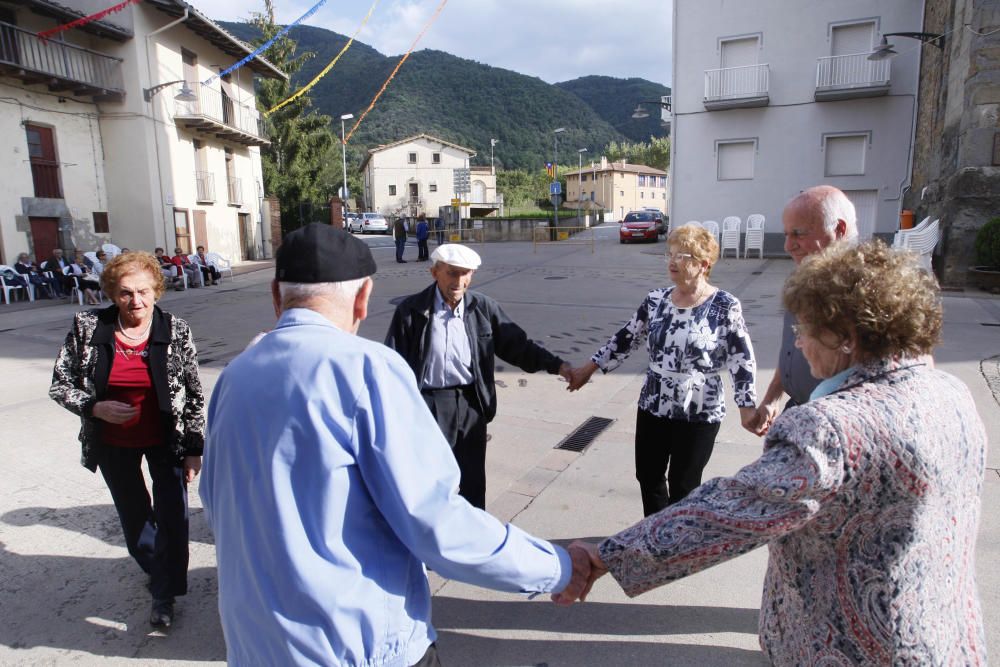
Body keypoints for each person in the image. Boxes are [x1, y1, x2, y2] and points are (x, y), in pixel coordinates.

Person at [559, 240, 987, 664]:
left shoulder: (830, 427)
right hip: (947, 642)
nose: (798, 345)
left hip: (859, 652)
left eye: (806, 329)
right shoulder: (951, 393)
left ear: (847, 338)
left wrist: (605, 555)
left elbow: (729, 512)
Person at [201, 224, 590, 666]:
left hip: (256, 649)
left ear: (276, 294)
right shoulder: (366, 369)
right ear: (364, 297)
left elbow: (216, 505)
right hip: (358, 650)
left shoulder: (234, 377)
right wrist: (558, 567)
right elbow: (435, 523)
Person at [49, 251, 204, 629]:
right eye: (125, 293)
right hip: (113, 441)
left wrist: (194, 449)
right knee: (135, 518)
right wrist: (94, 407)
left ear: (157, 291)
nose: (136, 301)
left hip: (167, 438)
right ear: (111, 294)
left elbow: (194, 393)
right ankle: (157, 569)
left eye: (144, 292)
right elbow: (60, 384)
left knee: (173, 517)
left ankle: (164, 593)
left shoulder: (175, 329)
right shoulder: (88, 327)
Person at [567, 225, 757, 515]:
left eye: (682, 256)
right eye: (670, 254)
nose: (672, 261)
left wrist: (747, 406)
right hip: (654, 403)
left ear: (704, 265)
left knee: (685, 484)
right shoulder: (656, 300)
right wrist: (588, 369)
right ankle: (652, 537)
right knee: (648, 476)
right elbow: (626, 337)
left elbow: (741, 358)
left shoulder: (725, 305)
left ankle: (676, 546)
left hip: (698, 409)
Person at [385, 243, 572, 509]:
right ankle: (431, 543)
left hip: (472, 403)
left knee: (472, 483)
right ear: (434, 272)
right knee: (430, 480)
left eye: (465, 274)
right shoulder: (411, 311)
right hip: (428, 404)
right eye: (452, 273)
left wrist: (558, 366)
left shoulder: (483, 308)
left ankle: (473, 542)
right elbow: (392, 363)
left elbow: (518, 346)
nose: (459, 281)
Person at [745, 185, 858, 436]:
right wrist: (773, 397)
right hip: (796, 409)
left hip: (831, 425)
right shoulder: (805, 278)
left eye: (798, 234)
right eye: (786, 234)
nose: (788, 245)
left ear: (838, 230)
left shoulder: (863, 292)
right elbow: (792, 348)